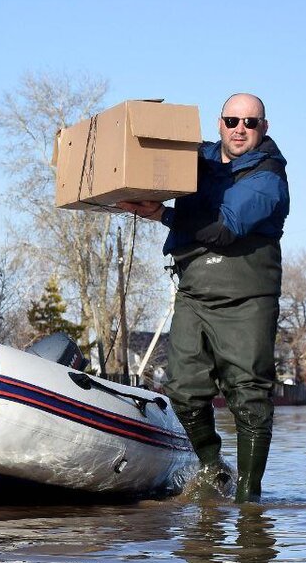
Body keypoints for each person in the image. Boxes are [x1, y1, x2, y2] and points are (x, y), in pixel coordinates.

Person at [117, 93, 289, 503]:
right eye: (232, 120)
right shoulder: (201, 159)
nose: (240, 129)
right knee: (182, 389)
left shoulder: (268, 179)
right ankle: (213, 467)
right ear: (220, 124)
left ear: (264, 127)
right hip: (194, 292)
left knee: (247, 393)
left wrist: (161, 213)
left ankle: (249, 499)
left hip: (247, 300)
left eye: (250, 122)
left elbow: (223, 228)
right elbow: (154, 157)